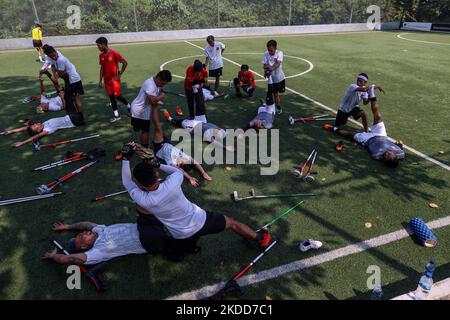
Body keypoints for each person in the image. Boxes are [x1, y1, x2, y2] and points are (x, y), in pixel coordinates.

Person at [121, 145, 272, 261]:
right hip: (201, 220)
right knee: (232, 223)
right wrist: (157, 164)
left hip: (180, 234)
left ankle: (186, 250)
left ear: (140, 185)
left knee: (179, 253)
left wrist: (125, 159)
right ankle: (260, 239)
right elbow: (176, 171)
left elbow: (127, 181)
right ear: (157, 174)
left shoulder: (143, 199)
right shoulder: (174, 181)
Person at [324, 85, 405, 168]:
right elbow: (397, 146)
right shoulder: (400, 153)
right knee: (378, 116)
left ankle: (333, 129)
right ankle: (372, 93)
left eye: (385, 156)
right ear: (396, 156)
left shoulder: (377, 155)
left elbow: (380, 147)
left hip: (367, 139)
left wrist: (394, 146)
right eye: (389, 154)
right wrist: (399, 145)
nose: (386, 153)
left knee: (350, 134)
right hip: (381, 135)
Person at [42, 220, 170, 265]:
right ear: (83, 246)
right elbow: (68, 259)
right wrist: (54, 256)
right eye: (81, 236)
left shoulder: (99, 230)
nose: (84, 232)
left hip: (144, 225)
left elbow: (85, 224)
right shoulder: (98, 252)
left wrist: (68, 227)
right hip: (149, 241)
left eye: (82, 232)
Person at [130, 70, 172, 147]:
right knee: (145, 131)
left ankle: (136, 125)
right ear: (158, 78)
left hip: (145, 109)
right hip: (139, 110)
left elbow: (154, 97)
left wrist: (159, 95)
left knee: (142, 129)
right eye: (163, 83)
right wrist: (161, 96)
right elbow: (152, 101)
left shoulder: (156, 83)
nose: (163, 85)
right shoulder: (150, 84)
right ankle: (145, 150)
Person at [96, 37, 131, 123]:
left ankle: (129, 106)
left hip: (114, 80)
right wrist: (100, 80)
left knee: (117, 96)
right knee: (111, 97)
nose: (98, 47)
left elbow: (125, 63)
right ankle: (116, 115)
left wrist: (120, 74)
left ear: (104, 44)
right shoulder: (101, 56)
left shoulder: (114, 53)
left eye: (99, 45)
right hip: (106, 81)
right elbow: (102, 68)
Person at [42, 45, 84, 113]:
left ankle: (79, 117)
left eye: (54, 55)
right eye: (51, 57)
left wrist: (53, 70)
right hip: (71, 80)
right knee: (72, 99)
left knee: (75, 99)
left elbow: (59, 76)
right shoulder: (55, 56)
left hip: (73, 81)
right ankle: (77, 115)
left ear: (55, 51)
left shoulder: (60, 60)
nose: (54, 57)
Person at [262, 40, 285, 114]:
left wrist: (270, 69)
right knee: (274, 93)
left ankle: (276, 106)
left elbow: (278, 63)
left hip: (280, 78)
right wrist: (266, 71)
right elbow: (265, 64)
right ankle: (278, 108)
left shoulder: (279, 53)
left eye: (271, 50)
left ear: (275, 48)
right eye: (268, 50)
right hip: (271, 79)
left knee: (278, 93)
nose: (270, 52)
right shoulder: (266, 54)